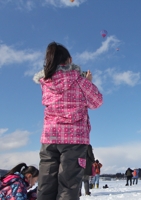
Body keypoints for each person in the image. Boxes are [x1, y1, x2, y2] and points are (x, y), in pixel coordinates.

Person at [33, 42, 103, 200]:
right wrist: (88, 82)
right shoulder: (79, 81)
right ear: (70, 60)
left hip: (49, 138)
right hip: (74, 140)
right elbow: (97, 102)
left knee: (45, 185)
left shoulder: (45, 83)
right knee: (69, 186)